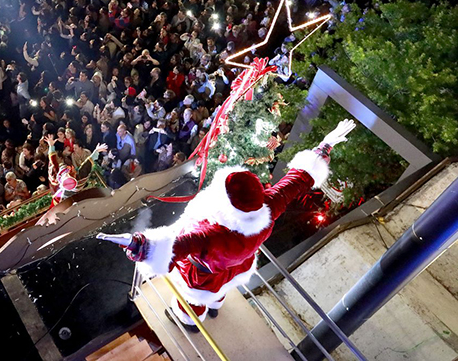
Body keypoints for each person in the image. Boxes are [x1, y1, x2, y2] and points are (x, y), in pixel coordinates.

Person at [98, 120, 356, 329]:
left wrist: (139, 244)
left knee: (193, 298)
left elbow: (175, 246)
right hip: (237, 266)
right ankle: (215, 307)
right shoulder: (267, 206)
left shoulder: (213, 234)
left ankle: (189, 319)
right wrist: (324, 147)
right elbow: (297, 179)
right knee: (221, 288)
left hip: (200, 274)